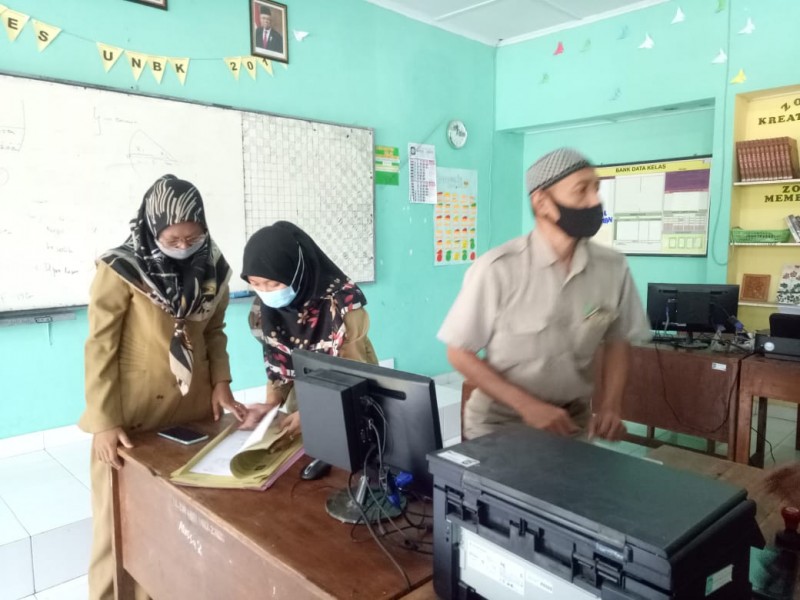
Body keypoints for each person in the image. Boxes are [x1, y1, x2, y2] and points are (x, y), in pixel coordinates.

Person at [80, 175, 246, 600]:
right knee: (118, 526)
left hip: (193, 410)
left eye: (194, 236)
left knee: (181, 523)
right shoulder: (121, 269)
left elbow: (215, 332)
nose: (184, 245)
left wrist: (222, 383)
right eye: (173, 239)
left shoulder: (213, 268)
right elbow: (100, 346)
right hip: (131, 417)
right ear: (153, 228)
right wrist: (103, 422)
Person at [438, 148, 650, 441]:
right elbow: (459, 352)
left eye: (596, 189)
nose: (595, 201)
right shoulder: (499, 269)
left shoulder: (612, 268)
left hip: (572, 423)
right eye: (581, 190)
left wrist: (611, 406)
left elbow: (618, 341)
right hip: (499, 423)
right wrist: (528, 406)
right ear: (542, 203)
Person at [239, 221, 378, 446]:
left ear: (296, 273)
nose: (265, 292)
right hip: (302, 402)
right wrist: (271, 405)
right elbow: (279, 363)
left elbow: (354, 378)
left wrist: (314, 412)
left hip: (350, 402)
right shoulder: (263, 311)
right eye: (255, 284)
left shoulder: (343, 307)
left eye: (273, 284)